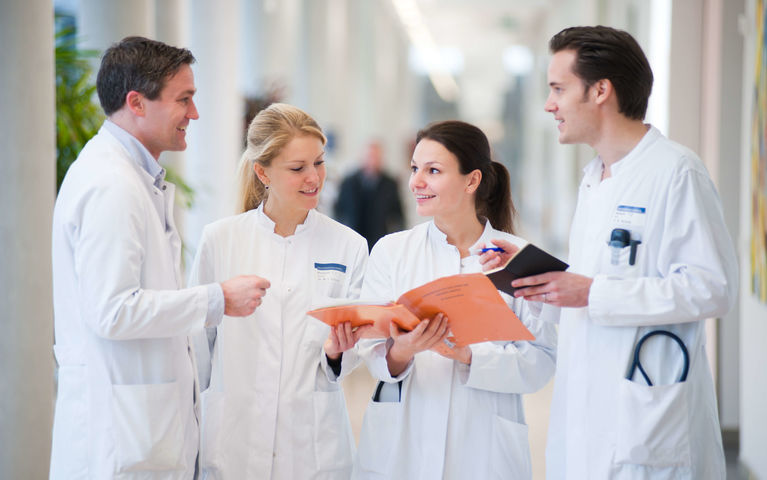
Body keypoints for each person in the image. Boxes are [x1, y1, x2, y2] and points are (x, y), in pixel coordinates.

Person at [483, 26, 738, 478]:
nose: (549, 105)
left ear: (601, 90)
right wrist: (533, 273)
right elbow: (594, 282)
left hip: (648, 415)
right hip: (588, 411)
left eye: (559, 89)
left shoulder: (675, 172)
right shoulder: (595, 178)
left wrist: (592, 293)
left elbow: (712, 287)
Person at [50, 37, 270, 479]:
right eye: (183, 100)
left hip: (138, 431)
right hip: (119, 441)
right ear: (137, 102)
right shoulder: (111, 186)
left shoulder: (129, 177)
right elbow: (111, 311)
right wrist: (216, 300)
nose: (195, 114)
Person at [352, 121, 557, 479]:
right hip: (403, 444)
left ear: (471, 180)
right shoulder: (391, 251)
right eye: (415, 168)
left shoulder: (517, 257)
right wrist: (402, 350)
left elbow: (540, 362)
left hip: (484, 448)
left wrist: (467, 355)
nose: (416, 181)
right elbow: (372, 351)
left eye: (433, 171)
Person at [189, 103, 370, 479]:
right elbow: (197, 349)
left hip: (313, 448)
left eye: (319, 163)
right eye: (297, 168)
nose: (314, 178)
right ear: (262, 171)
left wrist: (337, 353)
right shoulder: (221, 240)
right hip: (233, 443)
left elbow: (354, 353)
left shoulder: (348, 246)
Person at [334, 140, 404, 249]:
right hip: (353, 240)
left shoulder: (390, 184)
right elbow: (338, 211)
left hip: (379, 241)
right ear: (362, 157)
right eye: (369, 156)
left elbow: (398, 216)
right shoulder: (348, 182)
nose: (372, 160)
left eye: (376, 157)